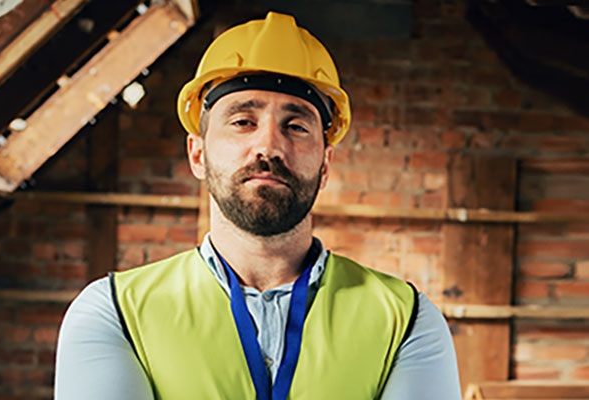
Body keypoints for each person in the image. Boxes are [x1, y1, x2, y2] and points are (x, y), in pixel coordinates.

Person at [55, 11, 462, 399]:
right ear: (198, 155)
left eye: (296, 126)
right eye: (243, 121)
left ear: (325, 164)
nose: (268, 145)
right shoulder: (115, 314)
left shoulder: (407, 320)